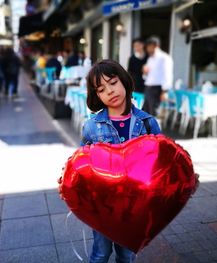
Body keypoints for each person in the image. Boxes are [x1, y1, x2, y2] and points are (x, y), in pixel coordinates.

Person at [82, 59, 161, 263]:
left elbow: (161, 161)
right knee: (101, 253)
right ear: (96, 95)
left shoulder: (147, 123)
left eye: (113, 82)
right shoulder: (91, 127)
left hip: (134, 205)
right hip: (103, 205)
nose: (110, 91)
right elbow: (82, 163)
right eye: (101, 88)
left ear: (124, 81)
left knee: (127, 254)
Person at [142, 36, 173, 116]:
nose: (147, 49)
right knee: (146, 112)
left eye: (149, 46)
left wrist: (164, 91)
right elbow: (146, 77)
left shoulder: (164, 58)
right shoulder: (150, 59)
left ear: (156, 46)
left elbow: (167, 75)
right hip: (148, 88)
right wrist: (145, 72)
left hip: (157, 89)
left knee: (155, 113)